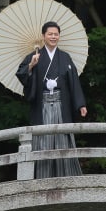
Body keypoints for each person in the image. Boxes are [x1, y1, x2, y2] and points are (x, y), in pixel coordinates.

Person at [16, 21, 88, 178]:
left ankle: (66, 176)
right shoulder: (34, 56)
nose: (53, 37)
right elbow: (21, 74)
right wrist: (31, 65)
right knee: (43, 140)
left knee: (63, 138)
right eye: (50, 34)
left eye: (56, 34)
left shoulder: (65, 57)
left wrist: (80, 104)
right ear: (43, 36)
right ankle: (43, 177)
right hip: (42, 105)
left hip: (62, 104)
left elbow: (74, 81)